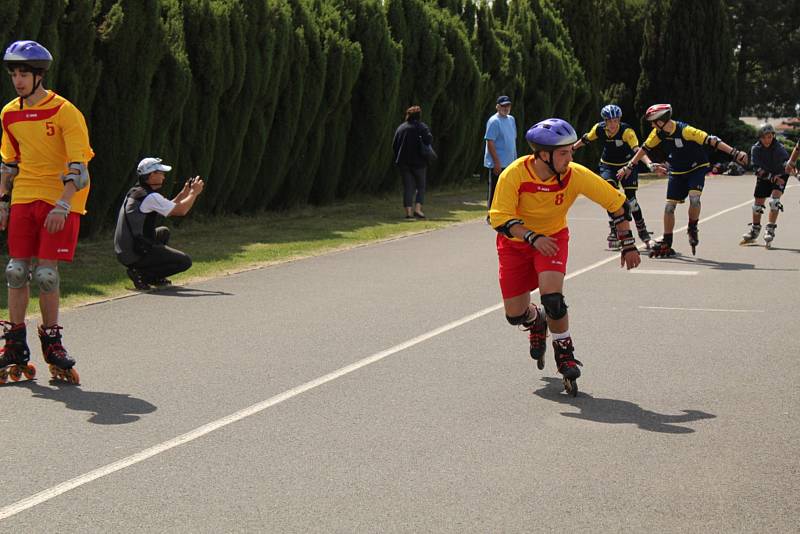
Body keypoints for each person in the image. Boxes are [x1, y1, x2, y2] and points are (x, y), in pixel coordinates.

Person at [489, 118, 641, 395]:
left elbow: (617, 204)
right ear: (543, 155)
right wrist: (533, 237)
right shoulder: (514, 174)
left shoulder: (575, 174)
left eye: (571, 151)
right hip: (515, 244)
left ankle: (565, 353)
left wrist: (627, 243)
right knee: (514, 315)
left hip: (553, 239)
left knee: (554, 299)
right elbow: (499, 218)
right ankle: (536, 319)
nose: (570, 158)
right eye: (563, 153)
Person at [0, 40, 93, 384]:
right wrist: (2, 202)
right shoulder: (9, 113)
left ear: (39, 75)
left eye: (24, 73)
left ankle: (52, 341)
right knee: (16, 270)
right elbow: (7, 164)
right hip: (25, 194)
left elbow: (78, 167)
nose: (18, 80)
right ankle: (13, 343)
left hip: (60, 197)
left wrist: (64, 203)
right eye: (14, 74)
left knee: (46, 275)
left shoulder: (65, 112)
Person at [620, 104, 748, 257]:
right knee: (669, 207)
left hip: (696, 167)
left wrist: (735, 152)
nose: (652, 125)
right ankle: (667, 241)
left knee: (694, 199)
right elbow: (644, 149)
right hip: (677, 170)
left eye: (654, 122)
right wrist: (629, 166)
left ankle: (692, 227)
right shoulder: (657, 133)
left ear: (662, 120)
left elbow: (712, 140)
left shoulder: (685, 130)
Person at [572, 104, 656, 249]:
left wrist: (650, 164)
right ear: (604, 121)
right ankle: (614, 230)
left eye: (616, 120)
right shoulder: (599, 128)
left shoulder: (626, 131)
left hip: (627, 165)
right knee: (609, 194)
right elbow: (586, 139)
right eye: (610, 121)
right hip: (608, 166)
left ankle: (643, 233)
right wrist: (571, 149)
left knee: (632, 201)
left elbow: (638, 150)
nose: (613, 124)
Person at [114, 157, 203, 290]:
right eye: (160, 172)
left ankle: (151, 273)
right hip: (133, 252)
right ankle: (142, 274)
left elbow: (169, 206)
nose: (163, 176)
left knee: (163, 232)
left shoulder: (138, 191)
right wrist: (194, 193)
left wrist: (183, 193)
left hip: (127, 247)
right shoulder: (150, 196)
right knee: (185, 262)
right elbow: (181, 210)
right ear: (151, 175)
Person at [740, 124, 790, 247]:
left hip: (780, 176)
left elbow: (786, 164)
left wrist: (791, 170)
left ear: (773, 136)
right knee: (757, 206)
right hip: (764, 176)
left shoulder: (779, 148)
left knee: (774, 201)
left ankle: (770, 229)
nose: (767, 140)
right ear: (759, 138)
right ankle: (755, 230)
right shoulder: (756, 149)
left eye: (769, 137)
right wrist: (771, 177)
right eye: (764, 137)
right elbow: (756, 169)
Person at [392, 105, 432, 219]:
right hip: (419, 162)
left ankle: (408, 212)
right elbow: (429, 140)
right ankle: (418, 210)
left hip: (404, 162)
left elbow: (395, 144)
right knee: (421, 186)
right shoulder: (422, 127)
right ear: (419, 116)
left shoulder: (401, 128)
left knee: (408, 187)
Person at [484, 95, 517, 219]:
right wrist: (496, 162)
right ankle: (491, 215)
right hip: (498, 163)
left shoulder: (511, 119)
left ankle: (504, 213)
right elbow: (490, 142)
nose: (506, 108)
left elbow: (512, 140)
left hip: (510, 162)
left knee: (508, 189)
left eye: (508, 105)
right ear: (497, 106)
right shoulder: (494, 121)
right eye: (503, 106)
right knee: (495, 189)